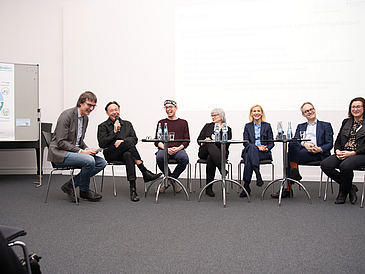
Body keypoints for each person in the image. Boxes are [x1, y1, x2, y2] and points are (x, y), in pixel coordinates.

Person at [97, 101, 162, 202]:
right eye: (111, 111)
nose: (114, 112)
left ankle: (133, 189)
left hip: (125, 154)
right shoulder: (102, 126)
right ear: (107, 113)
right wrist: (114, 132)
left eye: (116, 110)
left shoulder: (127, 124)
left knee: (128, 153)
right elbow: (102, 143)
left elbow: (134, 139)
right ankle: (144, 171)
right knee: (128, 144)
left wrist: (123, 141)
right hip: (111, 154)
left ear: (119, 110)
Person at [48, 91, 106, 202]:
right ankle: (84, 190)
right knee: (89, 160)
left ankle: (70, 185)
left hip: (73, 152)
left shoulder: (85, 118)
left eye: (94, 106)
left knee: (101, 163)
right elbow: (61, 142)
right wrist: (81, 152)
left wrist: (87, 149)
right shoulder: (66, 116)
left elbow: (79, 141)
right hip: (60, 153)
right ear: (80, 103)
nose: (92, 108)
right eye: (89, 105)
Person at [271, 102, 334, 198]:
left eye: (311, 109)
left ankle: (288, 188)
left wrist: (319, 149)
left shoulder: (325, 125)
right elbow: (295, 141)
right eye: (306, 111)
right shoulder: (301, 126)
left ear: (314, 110)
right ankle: (294, 170)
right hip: (305, 152)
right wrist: (305, 144)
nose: (310, 112)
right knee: (292, 142)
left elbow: (329, 144)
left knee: (289, 156)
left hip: (319, 154)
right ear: (303, 114)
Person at [321, 97, 365, 204]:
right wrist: (337, 150)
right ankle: (350, 187)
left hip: (360, 153)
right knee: (325, 164)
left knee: (345, 166)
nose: (355, 109)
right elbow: (339, 140)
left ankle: (343, 192)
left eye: (358, 106)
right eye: (353, 107)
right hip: (344, 152)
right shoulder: (346, 122)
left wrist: (353, 153)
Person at [155, 100, 190, 193]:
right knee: (159, 157)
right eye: (166, 107)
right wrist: (166, 149)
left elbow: (187, 140)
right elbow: (157, 141)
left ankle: (169, 180)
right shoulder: (161, 122)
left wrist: (178, 148)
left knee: (184, 159)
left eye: (170, 107)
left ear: (176, 108)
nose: (168, 109)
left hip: (178, 149)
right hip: (164, 149)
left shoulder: (183, 122)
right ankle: (173, 181)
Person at [240, 104, 274, 198]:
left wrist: (265, 148)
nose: (256, 113)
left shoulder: (267, 126)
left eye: (258, 111)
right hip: (251, 150)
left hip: (263, 153)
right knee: (251, 148)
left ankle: (246, 186)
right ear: (251, 113)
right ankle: (257, 173)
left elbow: (272, 142)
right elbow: (245, 142)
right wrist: (256, 147)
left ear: (262, 113)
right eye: (254, 111)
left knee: (248, 157)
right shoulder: (247, 126)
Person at [197, 108, 232, 197]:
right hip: (204, 151)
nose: (213, 117)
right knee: (210, 145)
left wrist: (213, 141)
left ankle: (209, 188)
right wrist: (205, 141)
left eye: (215, 115)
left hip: (220, 153)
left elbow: (226, 145)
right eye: (212, 115)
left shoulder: (227, 128)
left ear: (221, 116)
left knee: (211, 157)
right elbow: (199, 140)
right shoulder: (207, 126)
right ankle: (222, 169)